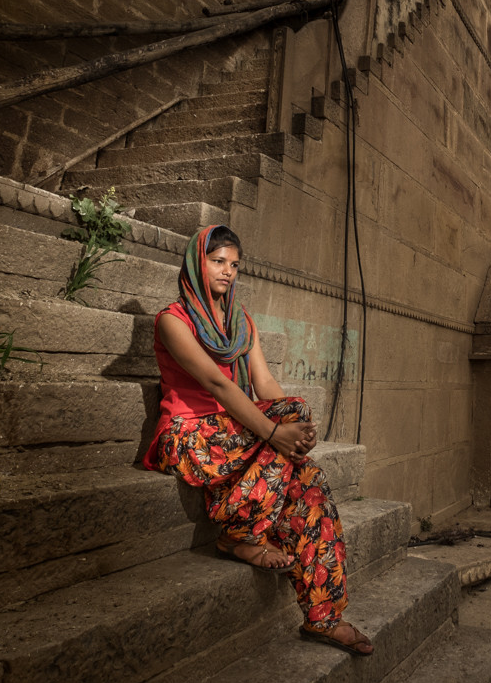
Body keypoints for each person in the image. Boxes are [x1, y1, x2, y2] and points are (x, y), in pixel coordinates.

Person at [142, 224, 373, 655]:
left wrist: (297, 429)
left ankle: (325, 617)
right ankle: (239, 533)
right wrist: (275, 432)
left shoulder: (240, 323)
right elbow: (219, 385)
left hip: (237, 432)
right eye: (217, 261)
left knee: (312, 487)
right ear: (196, 263)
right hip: (191, 436)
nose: (227, 272)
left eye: (234, 265)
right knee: (287, 430)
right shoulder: (172, 321)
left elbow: (264, 383)